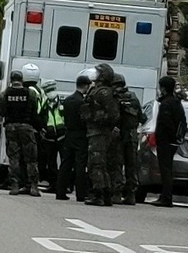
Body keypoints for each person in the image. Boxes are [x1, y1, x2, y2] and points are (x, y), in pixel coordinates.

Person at [82, 63, 121, 206]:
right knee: (98, 164)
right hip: (94, 132)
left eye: (98, 73)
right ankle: (103, 194)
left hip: (99, 133)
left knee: (96, 164)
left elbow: (113, 115)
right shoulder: (97, 90)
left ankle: (99, 195)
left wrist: (97, 118)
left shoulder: (104, 92)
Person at [0, 70, 41, 196]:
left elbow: (2, 111)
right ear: (22, 80)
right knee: (31, 158)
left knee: (14, 158)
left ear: (11, 80)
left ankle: (15, 185)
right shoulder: (30, 93)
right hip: (26, 127)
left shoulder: (5, 94)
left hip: (11, 127)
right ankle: (33, 186)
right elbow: (35, 111)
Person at [107, 73, 146, 205]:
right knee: (131, 165)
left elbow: (111, 116)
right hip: (132, 135)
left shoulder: (114, 97)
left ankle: (116, 193)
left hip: (118, 135)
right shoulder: (134, 98)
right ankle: (131, 195)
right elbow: (143, 118)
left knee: (117, 164)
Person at [150, 76, 186, 207]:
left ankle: (166, 197)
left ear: (163, 88)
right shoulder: (176, 102)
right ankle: (165, 195)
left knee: (165, 169)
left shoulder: (166, 104)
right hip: (173, 141)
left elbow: (166, 123)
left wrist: (164, 137)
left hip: (165, 141)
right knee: (167, 169)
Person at [57, 73, 91, 201]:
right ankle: (81, 194)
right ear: (86, 86)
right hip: (80, 135)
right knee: (80, 164)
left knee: (65, 164)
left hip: (69, 134)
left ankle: (60, 192)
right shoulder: (81, 102)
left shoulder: (68, 100)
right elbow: (84, 120)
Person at [39, 79, 65, 194]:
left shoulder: (62, 102)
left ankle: (65, 185)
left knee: (64, 162)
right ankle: (53, 184)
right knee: (51, 163)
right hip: (49, 137)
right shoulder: (43, 103)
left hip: (62, 135)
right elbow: (39, 116)